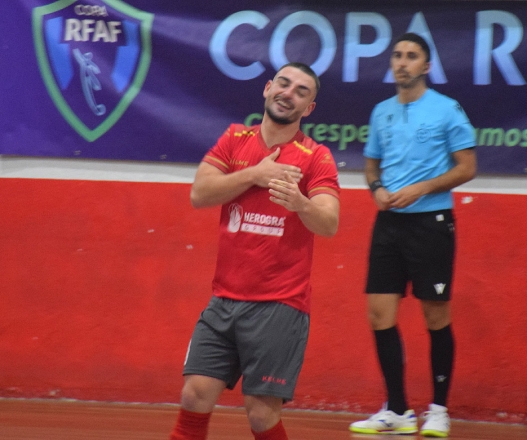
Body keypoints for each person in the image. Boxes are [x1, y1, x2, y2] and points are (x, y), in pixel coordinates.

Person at [169, 62, 340, 440]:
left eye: (301, 91)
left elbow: (329, 222)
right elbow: (200, 194)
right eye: (283, 83)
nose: (288, 93)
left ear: (308, 108)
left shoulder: (316, 157)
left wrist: (300, 203)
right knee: (194, 395)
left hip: (279, 304)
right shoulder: (235, 138)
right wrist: (254, 175)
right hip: (223, 300)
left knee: (261, 414)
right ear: (267, 88)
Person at [348, 33, 477, 438]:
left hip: (432, 224)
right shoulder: (381, 111)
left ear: (425, 66)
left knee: (435, 315)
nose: (402, 62)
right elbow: (371, 166)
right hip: (389, 226)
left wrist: (421, 188)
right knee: (379, 315)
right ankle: (399, 410)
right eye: (397, 56)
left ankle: (438, 409)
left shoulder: (446, 109)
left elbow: (467, 167)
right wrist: (376, 190)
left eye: (412, 57)